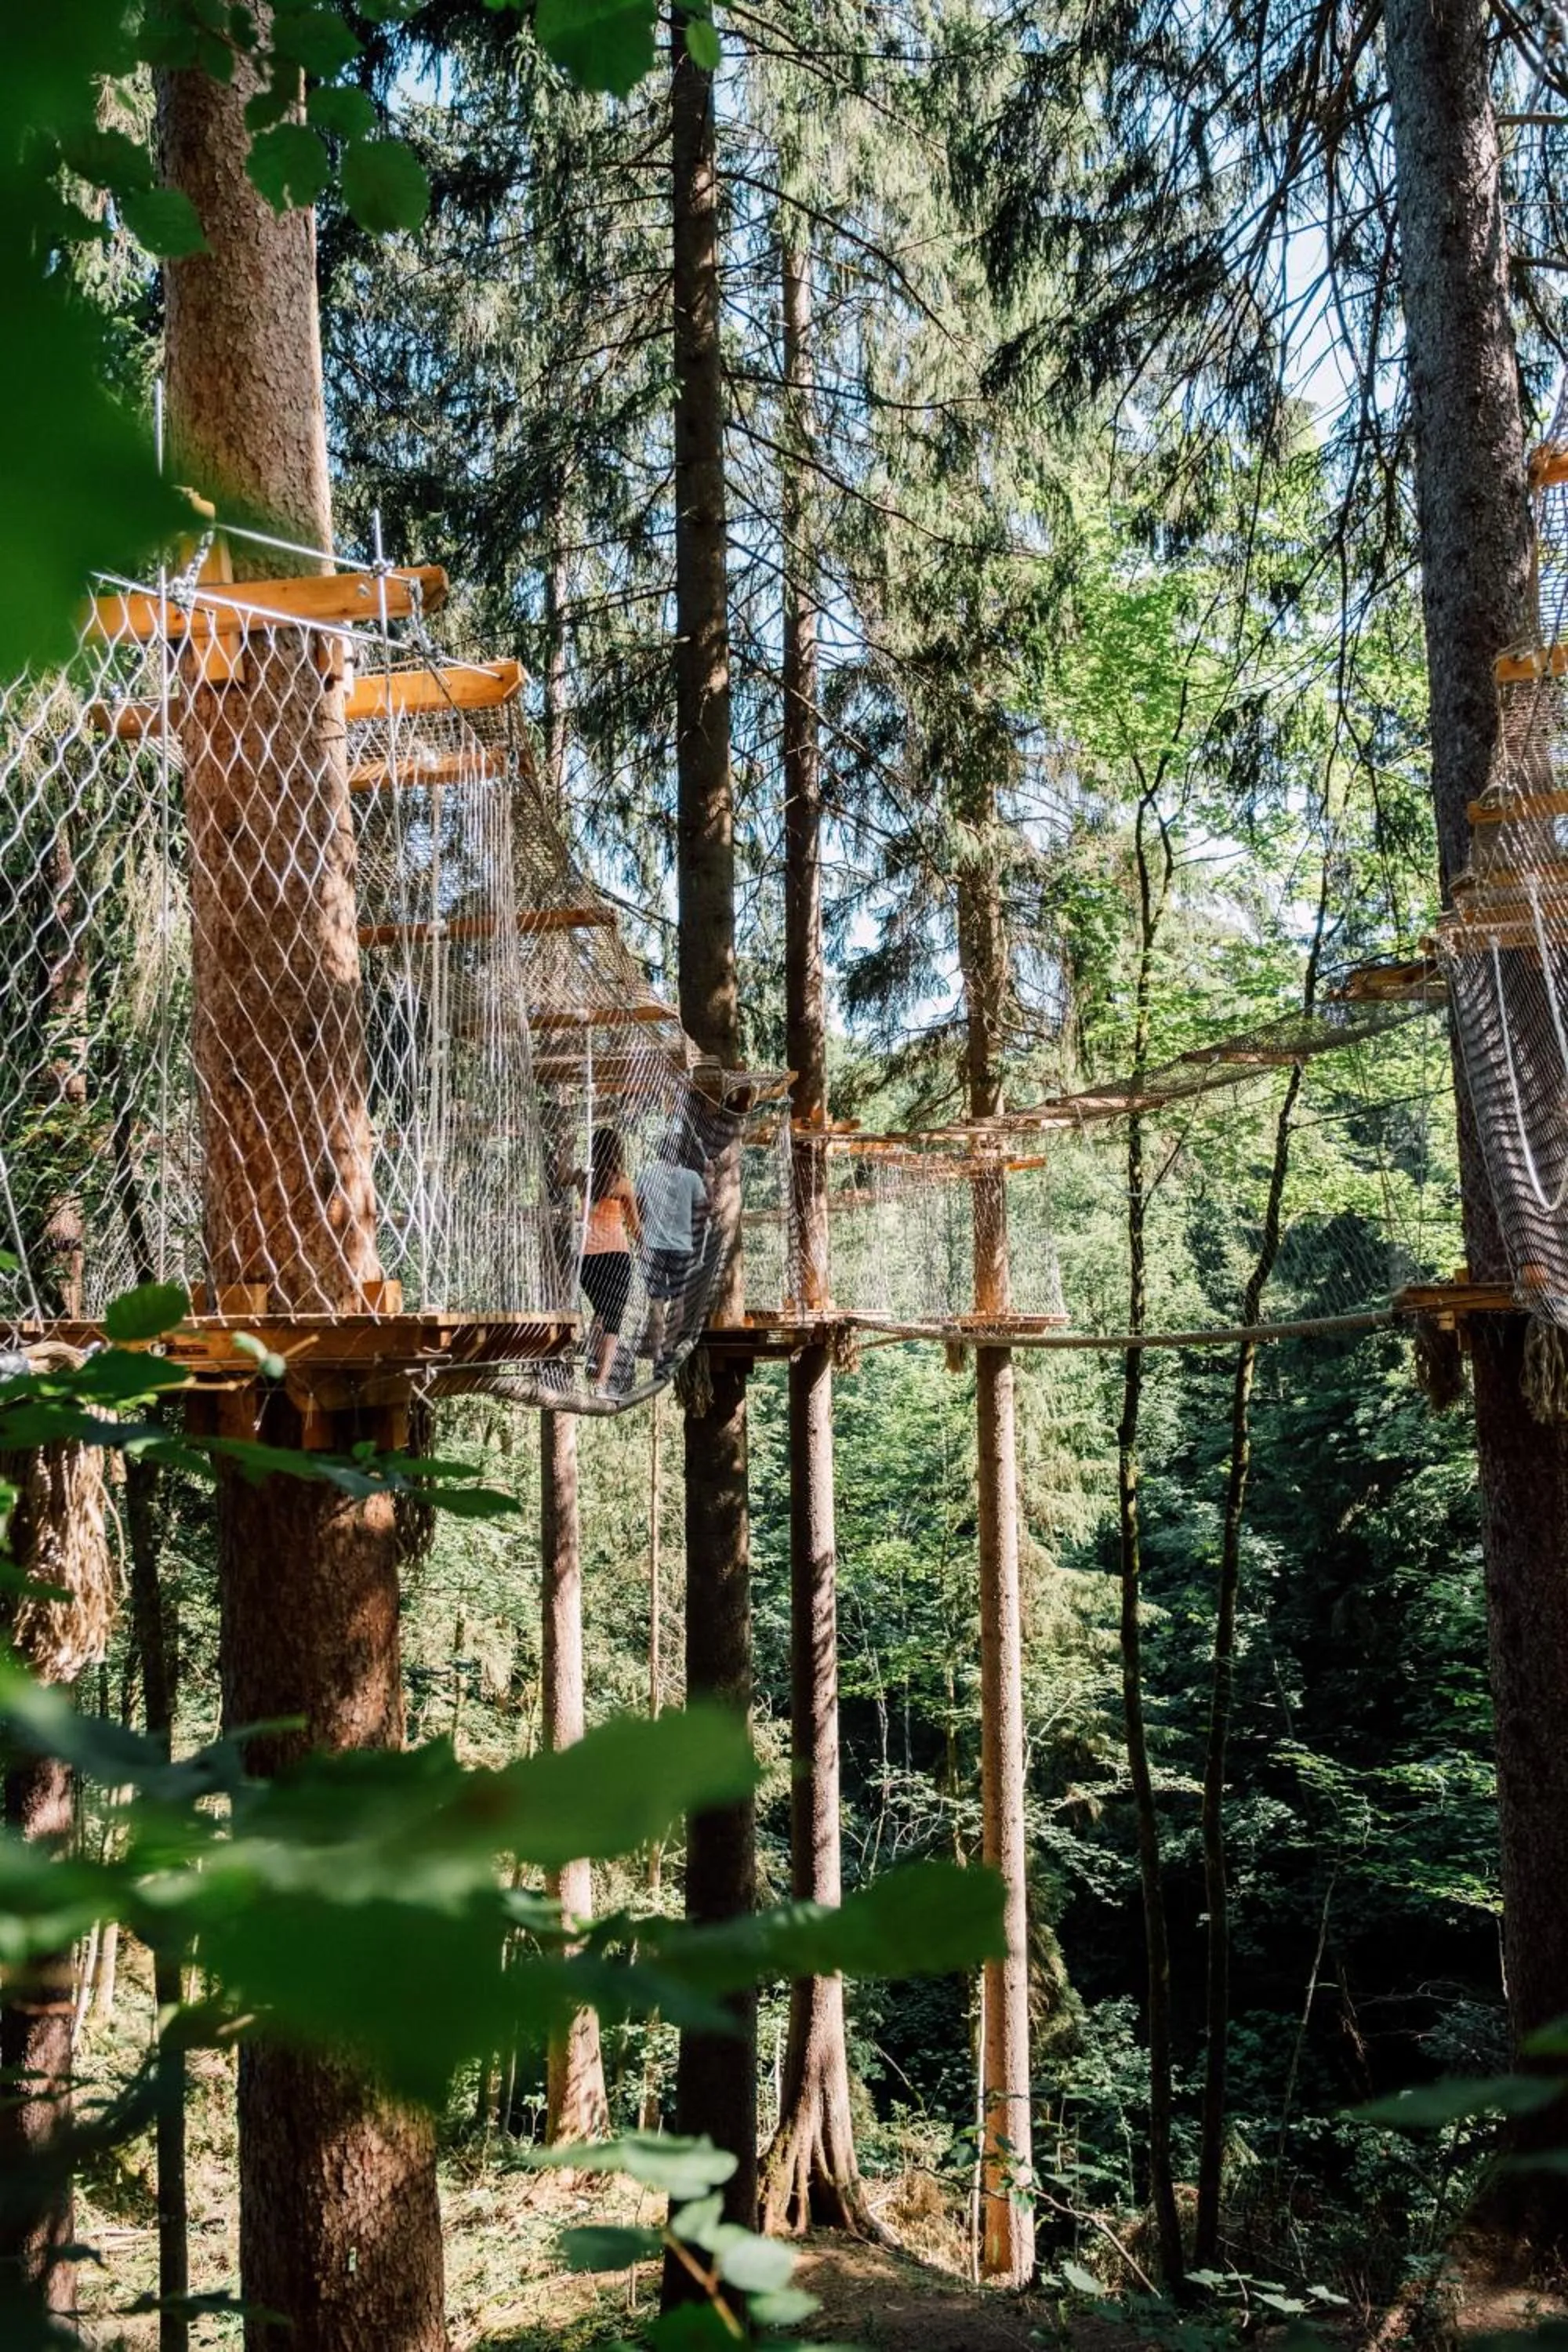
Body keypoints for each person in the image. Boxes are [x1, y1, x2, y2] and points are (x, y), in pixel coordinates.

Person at [636, 1122, 712, 1373]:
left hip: (652, 1246)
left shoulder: (646, 1175)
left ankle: (656, 1352)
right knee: (678, 1299)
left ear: (659, 1151)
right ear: (680, 1153)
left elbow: (637, 1208)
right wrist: (709, 1180)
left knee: (656, 1301)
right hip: (681, 1246)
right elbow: (705, 1210)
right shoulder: (691, 1177)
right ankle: (668, 1350)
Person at [579, 1126, 641, 1394]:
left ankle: (593, 1359)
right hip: (617, 1256)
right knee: (612, 1319)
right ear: (618, 1151)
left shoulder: (584, 1179)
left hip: (587, 1259)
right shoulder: (623, 1184)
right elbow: (635, 1229)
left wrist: (563, 1150)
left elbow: (560, 1178)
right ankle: (601, 1384)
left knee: (602, 1313)